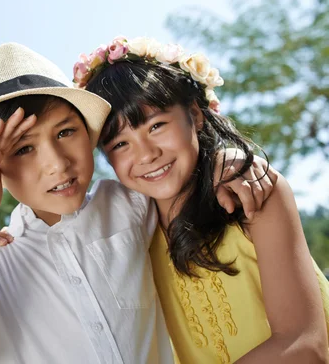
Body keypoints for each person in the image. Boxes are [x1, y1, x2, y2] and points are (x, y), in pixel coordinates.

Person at [0, 42, 274, 363]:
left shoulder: (130, 205)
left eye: (66, 132)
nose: (57, 163)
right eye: (23, 149)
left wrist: (230, 161)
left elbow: (178, 174)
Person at [74, 36, 329, 363]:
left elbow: (305, 347)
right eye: (120, 144)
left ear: (194, 115)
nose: (147, 154)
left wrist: (235, 158)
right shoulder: (128, 237)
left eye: (156, 126)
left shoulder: (250, 195)